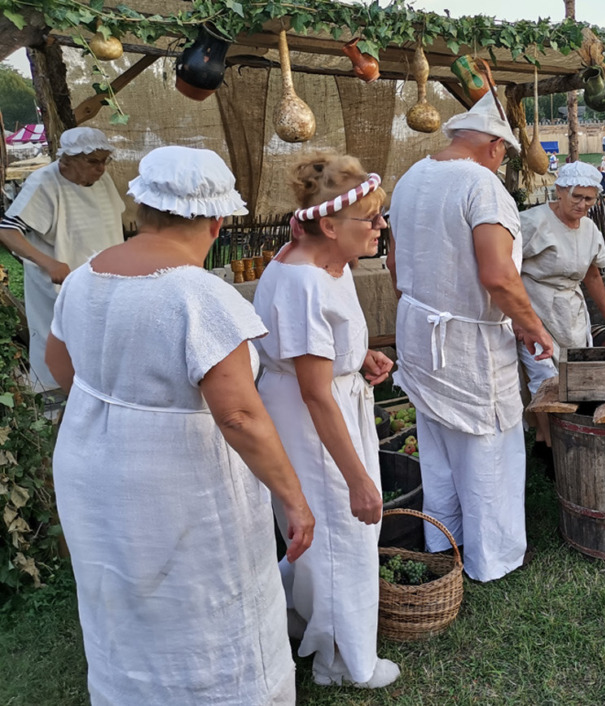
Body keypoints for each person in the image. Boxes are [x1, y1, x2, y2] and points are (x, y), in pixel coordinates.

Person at [44, 146, 315, 703]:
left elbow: (58, 363)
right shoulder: (198, 294)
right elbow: (238, 416)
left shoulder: (85, 276)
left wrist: (119, 416)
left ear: (140, 206)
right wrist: (293, 498)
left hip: (89, 467)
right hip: (181, 483)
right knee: (205, 602)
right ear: (217, 221)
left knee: (119, 594)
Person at [388, 93, 553, 582]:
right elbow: (498, 276)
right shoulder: (483, 186)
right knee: (488, 448)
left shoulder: (411, 177)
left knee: (436, 441)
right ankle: (491, 557)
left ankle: (445, 540)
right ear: (496, 148)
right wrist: (532, 325)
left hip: (419, 329)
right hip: (469, 341)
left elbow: (396, 265)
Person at [254, 152, 400, 688]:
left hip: (321, 405)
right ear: (330, 224)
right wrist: (357, 478)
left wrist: (359, 357)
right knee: (343, 533)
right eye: (371, 218)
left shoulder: (316, 263)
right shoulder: (305, 282)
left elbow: (314, 350)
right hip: (312, 422)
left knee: (330, 535)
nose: (381, 226)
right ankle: (343, 660)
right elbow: (315, 393)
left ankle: (302, 621)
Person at [0, 126, 125, 390]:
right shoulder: (43, 181)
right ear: (67, 159)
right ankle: (55, 407)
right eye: (93, 161)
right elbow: (7, 230)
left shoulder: (103, 181)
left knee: (104, 349)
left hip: (105, 283)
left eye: (105, 160)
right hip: (59, 286)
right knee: (60, 346)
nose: (101, 168)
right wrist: (48, 263)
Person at [518, 161, 605, 469]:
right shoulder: (533, 222)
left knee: (573, 374)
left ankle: (551, 438)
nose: (582, 204)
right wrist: (517, 318)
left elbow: (592, 275)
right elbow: (507, 268)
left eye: (589, 199)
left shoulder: (589, 229)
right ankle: (552, 449)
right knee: (544, 378)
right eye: (576, 196)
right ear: (560, 191)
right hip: (534, 306)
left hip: (572, 311)